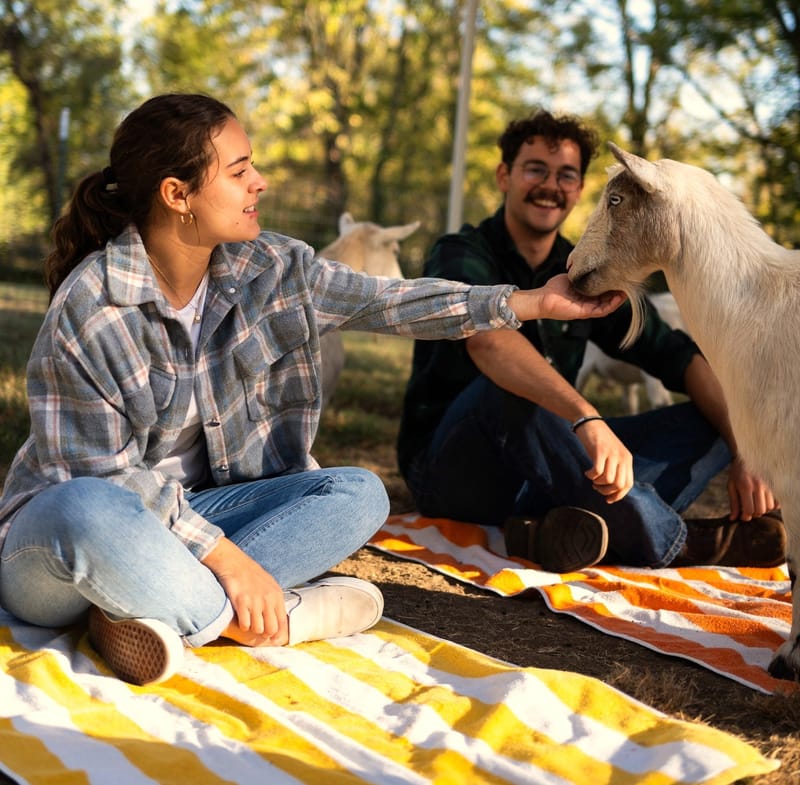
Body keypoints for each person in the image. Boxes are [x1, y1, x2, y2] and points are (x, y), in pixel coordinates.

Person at [0, 94, 625, 686]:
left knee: (357, 492)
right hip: (70, 544)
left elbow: (390, 302)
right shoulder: (94, 305)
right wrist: (229, 560)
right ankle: (273, 618)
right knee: (82, 509)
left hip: (203, 513)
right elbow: (101, 478)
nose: (260, 182)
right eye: (240, 170)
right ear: (177, 194)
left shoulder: (273, 268)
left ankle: (145, 608)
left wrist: (531, 301)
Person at [397, 109, 786, 574]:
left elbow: (678, 357)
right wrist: (587, 418)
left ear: (580, 189)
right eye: (535, 169)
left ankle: (548, 530)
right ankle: (678, 543)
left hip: (550, 464)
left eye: (566, 175)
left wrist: (747, 448)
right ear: (505, 175)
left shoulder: (583, 267)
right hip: (456, 471)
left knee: (719, 419)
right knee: (511, 390)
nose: (550, 185)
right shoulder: (460, 252)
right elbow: (489, 344)